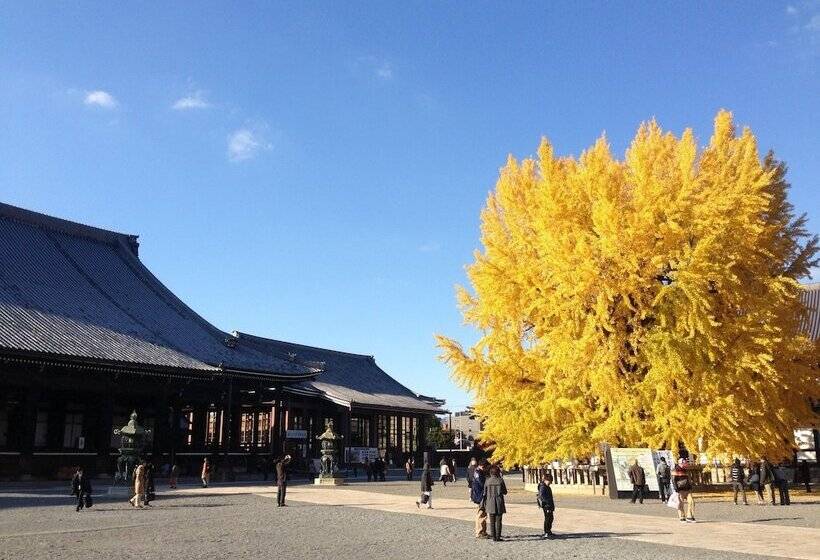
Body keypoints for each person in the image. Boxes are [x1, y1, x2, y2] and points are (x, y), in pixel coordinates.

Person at [481, 465, 507, 542]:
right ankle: (498, 536)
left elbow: (484, 492)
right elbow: (505, 492)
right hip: (499, 501)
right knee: (499, 521)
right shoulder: (500, 480)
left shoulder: (487, 481)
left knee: (492, 521)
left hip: (490, 502)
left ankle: (493, 537)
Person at [470, 460, 488, 538]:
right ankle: (479, 532)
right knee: (481, 513)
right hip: (480, 495)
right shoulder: (478, 473)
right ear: (482, 466)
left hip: (478, 495)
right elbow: (482, 484)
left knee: (482, 513)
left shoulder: (477, 472)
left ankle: (483, 531)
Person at [537, 473, 555, 539]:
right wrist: (547, 504)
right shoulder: (543, 487)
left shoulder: (546, 486)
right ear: (546, 480)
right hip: (546, 505)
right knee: (547, 518)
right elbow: (542, 497)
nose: (550, 483)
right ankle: (546, 532)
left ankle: (548, 531)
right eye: (549, 481)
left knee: (551, 518)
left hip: (549, 505)